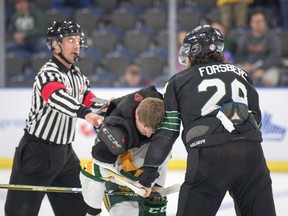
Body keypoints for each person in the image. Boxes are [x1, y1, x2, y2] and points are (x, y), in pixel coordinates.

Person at [138, 25, 276, 216]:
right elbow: (257, 121)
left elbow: (167, 133)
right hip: (252, 157)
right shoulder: (243, 74)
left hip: (209, 158)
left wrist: (148, 177)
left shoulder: (179, 80)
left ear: (195, 50)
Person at [5, 20, 104, 216]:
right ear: (55, 44)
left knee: (76, 208)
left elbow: (89, 99)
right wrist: (86, 114)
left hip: (64, 153)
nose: (76, 45)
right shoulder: (48, 73)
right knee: (19, 212)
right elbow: (57, 98)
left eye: (77, 40)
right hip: (37, 152)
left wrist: (110, 105)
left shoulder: (77, 75)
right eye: (70, 40)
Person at [80, 86, 170, 216]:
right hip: (117, 160)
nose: (149, 135)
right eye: (145, 129)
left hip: (136, 158)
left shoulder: (164, 111)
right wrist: (93, 211)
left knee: (163, 143)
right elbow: (95, 170)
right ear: (137, 114)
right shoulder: (116, 132)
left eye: (153, 131)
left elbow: (163, 151)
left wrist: (155, 186)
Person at [234, 9, 283, 86]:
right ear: (250, 23)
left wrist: (263, 69)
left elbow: (275, 57)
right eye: (255, 21)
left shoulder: (272, 38)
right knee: (236, 73)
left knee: (270, 77)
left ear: (265, 22)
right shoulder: (245, 38)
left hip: (267, 68)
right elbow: (239, 55)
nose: (257, 24)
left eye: (260, 21)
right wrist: (245, 64)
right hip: (247, 66)